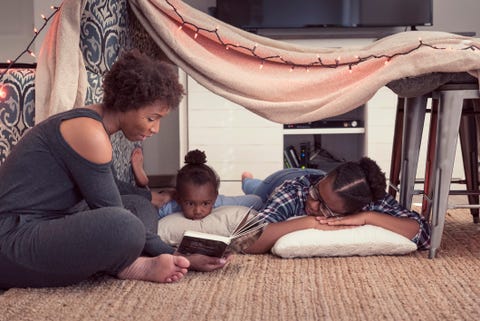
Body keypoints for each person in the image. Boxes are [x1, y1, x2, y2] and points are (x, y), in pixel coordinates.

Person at [0, 50, 229, 290]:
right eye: (152, 118)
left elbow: (107, 185)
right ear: (126, 104)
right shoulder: (90, 133)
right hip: (12, 237)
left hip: (51, 220)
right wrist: (182, 255)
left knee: (140, 207)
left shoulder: (92, 122)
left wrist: (150, 196)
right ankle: (131, 265)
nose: (156, 129)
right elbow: (111, 209)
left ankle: (125, 259)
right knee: (125, 226)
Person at [240, 157, 431, 254]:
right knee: (255, 193)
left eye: (326, 208)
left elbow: (423, 233)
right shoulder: (294, 191)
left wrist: (368, 218)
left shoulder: (368, 201)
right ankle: (247, 179)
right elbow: (245, 240)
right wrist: (310, 223)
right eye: (316, 194)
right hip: (281, 178)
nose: (314, 205)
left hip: (322, 178)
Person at [131, 148, 263, 220]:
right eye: (190, 203)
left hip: (250, 186)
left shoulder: (221, 202)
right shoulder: (170, 207)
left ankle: (247, 180)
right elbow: (147, 212)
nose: (198, 211)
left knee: (257, 191)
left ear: (214, 197)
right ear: (178, 198)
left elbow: (257, 201)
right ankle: (143, 183)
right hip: (164, 196)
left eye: (205, 203)